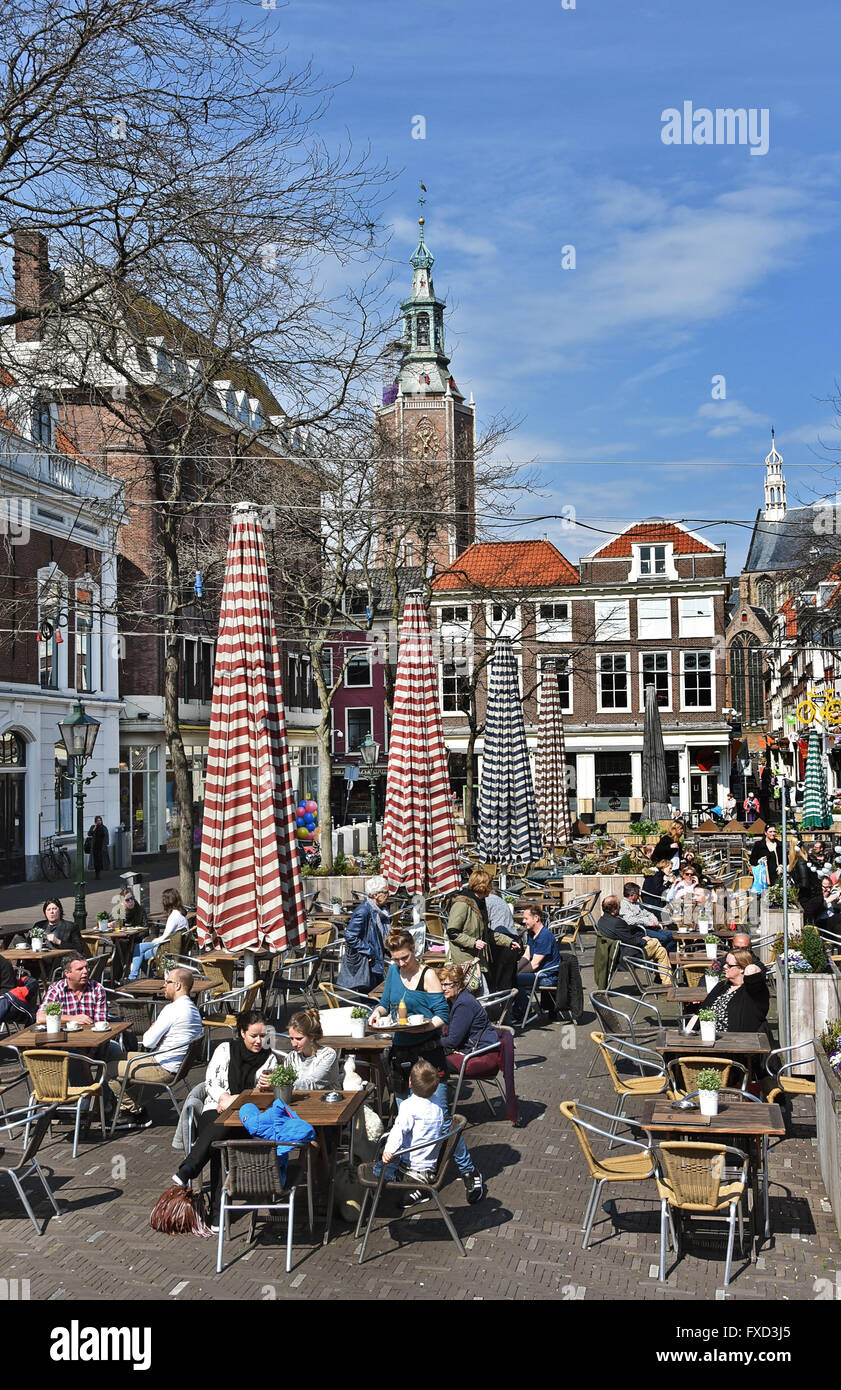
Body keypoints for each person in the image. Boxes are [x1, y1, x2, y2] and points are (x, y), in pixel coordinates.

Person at [369, 929, 484, 1204]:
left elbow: (442, 1015)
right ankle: (417, 1174)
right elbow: (386, 1004)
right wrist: (377, 1013)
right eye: (395, 959)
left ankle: (469, 1171)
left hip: (427, 1056)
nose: (400, 963)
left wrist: (420, 1027)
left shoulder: (428, 975)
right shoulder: (394, 973)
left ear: (414, 950)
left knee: (441, 1120)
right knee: (404, 1119)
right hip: (400, 1054)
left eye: (405, 957)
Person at [173, 1008, 280, 1229]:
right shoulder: (225, 1049)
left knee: (220, 1140)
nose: (259, 1041)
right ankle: (218, 1213)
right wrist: (223, 1097)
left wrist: (243, 1098)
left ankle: (190, 1170)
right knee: (220, 1137)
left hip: (248, 1117)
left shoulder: (270, 1060)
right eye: (254, 1036)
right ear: (242, 1032)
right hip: (216, 1107)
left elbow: (264, 1099)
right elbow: (210, 1080)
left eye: (263, 1036)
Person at [109, 966, 203, 1125]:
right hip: (177, 1065)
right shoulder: (192, 1009)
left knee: (109, 1069)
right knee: (118, 1057)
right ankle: (131, 1106)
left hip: (163, 1067)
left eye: (168, 982)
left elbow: (147, 1042)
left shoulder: (173, 1009)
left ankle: (133, 1111)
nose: (164, 986)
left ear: (178, 986)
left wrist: (154, 1030)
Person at [373, 1059, 445, 1205]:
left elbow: (397, 1131)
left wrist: (389, 1151)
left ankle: (381, 1197)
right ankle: (418, 1188)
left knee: (378, 1168)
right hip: (430, 1165)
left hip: (410, 1168)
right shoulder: (437, 1104)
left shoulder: (408, 1106)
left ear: (410, 1083)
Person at [445, 869, 515, 990]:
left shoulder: (480, 904)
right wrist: (473, 942)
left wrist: (508, 941)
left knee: (482, 996)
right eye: (490, 884)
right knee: (480, 996)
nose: (492, 887)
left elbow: (486, 933)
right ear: (483, 886)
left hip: (477, 961)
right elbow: (452, 932)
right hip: (464, 962)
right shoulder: (462, 904)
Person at [693, 949, 769, 1033]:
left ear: (742, 969)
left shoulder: (753, 991)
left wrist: (747, 964)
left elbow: (753, 970)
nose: (724, 966)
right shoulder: (722, 986)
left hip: (738, 1042)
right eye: (725, 963)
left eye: (729, 965)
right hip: (709, 1037)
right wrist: (688, 1033)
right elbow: (699, 1013)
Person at [596, 896, 671, 981]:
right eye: (618, 906)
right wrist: (644, 940)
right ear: (614, 910)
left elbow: (627, 937)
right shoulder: (617, 923)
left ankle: (667, 983)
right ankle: (667, 983)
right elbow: (632, 941)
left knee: (661, 951)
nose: (620, 908)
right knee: (656, 941)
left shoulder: (601, 921)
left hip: (612, 955)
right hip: (627, 956)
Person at [336, 875, 389, 992]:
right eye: (385, 892)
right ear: (376, 895)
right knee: (372, 998)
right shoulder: (363, 911)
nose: (388, 895)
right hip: (367, 963)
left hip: (377, 960)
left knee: (379, 995)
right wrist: (368, 950)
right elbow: (349, 935)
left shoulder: (381, 910)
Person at [511, 905, 562, 1024]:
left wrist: (516, 974)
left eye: (526, 918)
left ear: (536, 918)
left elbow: (534, 964)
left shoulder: (544, 936)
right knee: (512, 977)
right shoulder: (531, 933)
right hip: (538, 973)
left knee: (514, 980)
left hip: (548, 976)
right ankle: (522, 1009)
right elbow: (526, 956)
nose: (523, 921)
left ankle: (527, 1011)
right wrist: (516, 969)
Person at [128, 887, 187, 980]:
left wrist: (154, 941)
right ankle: (147, 977)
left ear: (166, 902)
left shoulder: (174, 916)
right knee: (140, 952)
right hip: (175, 945)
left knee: (138, 949)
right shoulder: (180, 914)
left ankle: (132, 978)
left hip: (169, 948)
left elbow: (164, 937)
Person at [37, 952, 107, 1026]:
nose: (85, 971)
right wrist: (72, 1018)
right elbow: (40, 1017)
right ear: (67, 973)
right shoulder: (56, 990)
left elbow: (101, 1022)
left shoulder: (97, 988)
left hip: (91, 1033)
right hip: (64, 1034)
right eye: (80, 969)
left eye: (86, 967)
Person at [277, 1009, 340, 1089]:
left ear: (311, 1037)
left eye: (299, 1039)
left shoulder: (328, 1055)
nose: (293, 1044)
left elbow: (312, 1084)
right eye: (291, 1038)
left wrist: (279, 1084)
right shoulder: (292, 1057)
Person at [620, 883, 675, 950]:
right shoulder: (624, 905)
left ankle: (667, 956)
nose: (639, 896)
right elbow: (630, 921)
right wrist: (647, 922)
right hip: (640, 930)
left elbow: (648, 913)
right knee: (664, 938)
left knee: (673, 935)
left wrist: (654, 920)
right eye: (638, 894)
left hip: (650, 927)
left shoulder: (637, 904)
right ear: (632, 895)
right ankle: (659, 955)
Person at [789, 844, 823, 925]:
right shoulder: (805, 860)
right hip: (813, 897)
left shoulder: (801, 862)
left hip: (809, 898)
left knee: (808, 924)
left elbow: (804, 884)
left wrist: (792, 888)